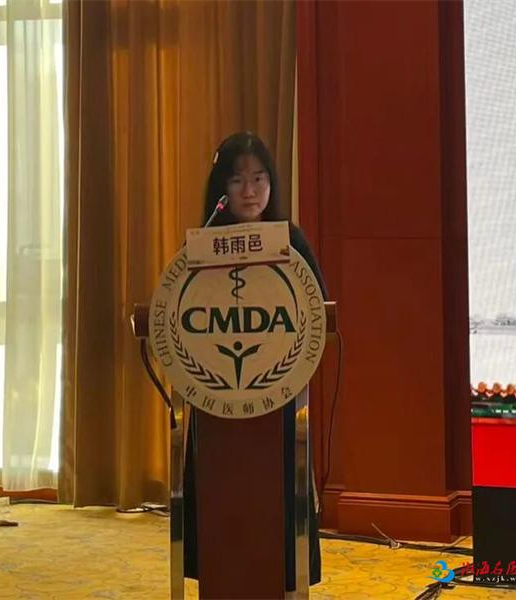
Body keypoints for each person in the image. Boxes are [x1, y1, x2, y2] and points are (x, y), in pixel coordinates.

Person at [183, 131, 327, 592]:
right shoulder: (204, 247)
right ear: (221, 189)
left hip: (276, 397)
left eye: (260, 178)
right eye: (238, 179)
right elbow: (177, 312)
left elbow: (319, 312)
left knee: (277, 494)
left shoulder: (290, 241)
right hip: (216, 397)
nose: (250, 190)